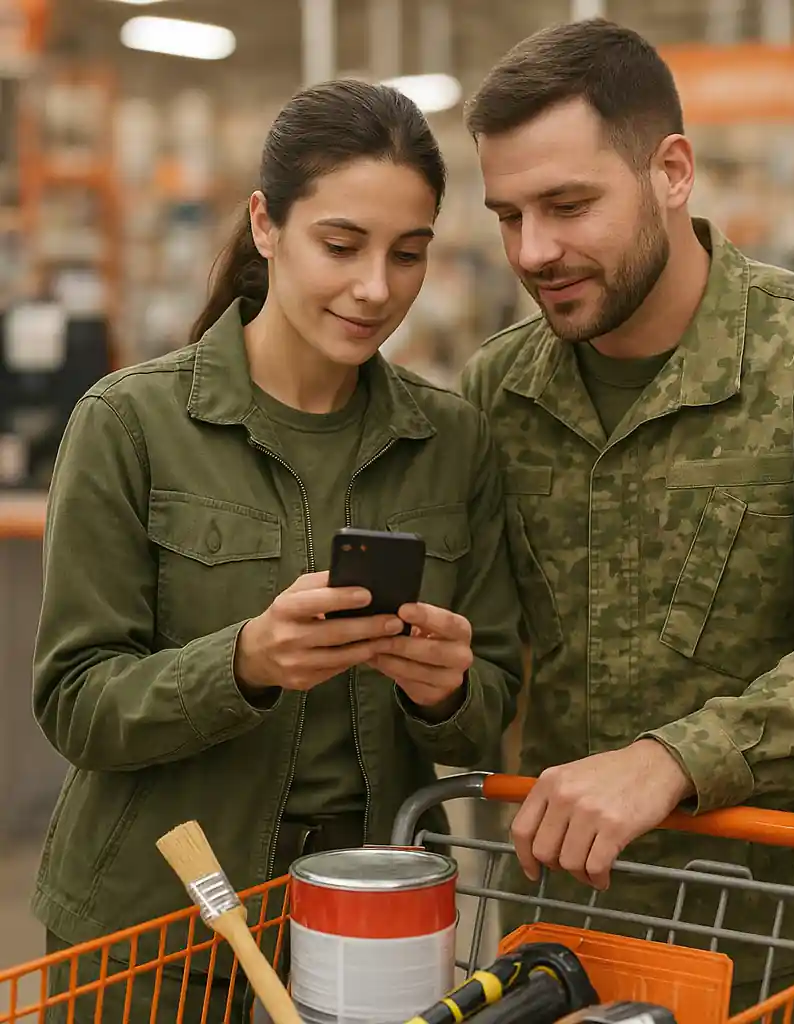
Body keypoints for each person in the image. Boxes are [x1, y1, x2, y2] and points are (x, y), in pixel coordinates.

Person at [457, 19, 794, 1013]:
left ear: (673, 171)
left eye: (569, 205)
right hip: (567, 948)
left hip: (790, 949)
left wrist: (674, 757)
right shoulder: (496, 393)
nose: (535, 250)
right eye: (508, 214)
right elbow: (491, 660)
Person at [31, 79, 523, 1023]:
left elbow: (485, 714)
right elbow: (75, 702)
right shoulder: (130, 424)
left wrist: (450, 688)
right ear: (266, 225)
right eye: (341, 246)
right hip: (156, 932)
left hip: (376, 928)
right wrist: (244, 664)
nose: (376, 287)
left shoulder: (454, 444)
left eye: (408, 254)